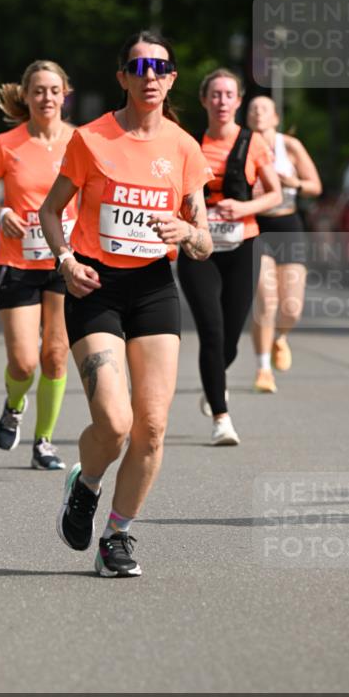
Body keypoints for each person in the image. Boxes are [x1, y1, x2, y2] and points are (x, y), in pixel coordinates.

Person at [39, 31, 213, 578]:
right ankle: (85, 482)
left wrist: (186, 229)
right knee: (114, 423)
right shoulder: (91, 140)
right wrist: (65, 260)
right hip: (96, 287)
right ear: (123, 77)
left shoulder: (185, 147)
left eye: (160, 66)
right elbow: (50, 212)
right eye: (139, 66)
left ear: (172, 77)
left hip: (155, 288)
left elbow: (206, 243)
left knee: (153, 426)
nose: (150, 75)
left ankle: (117, 535)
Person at [0, 61, 76, 471]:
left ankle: (44, 442)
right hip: (19, 261)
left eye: (54, 90)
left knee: (55, 356)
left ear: (65, 93)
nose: (46, 98)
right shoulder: (6, 145)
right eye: (38, 91)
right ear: (27, 96)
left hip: (64, 259)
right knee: (23, 362)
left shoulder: (81, 141)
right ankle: (14, 405)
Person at [176, 69, 282, 445]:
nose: (222, 101)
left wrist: (244, 206)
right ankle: (222, 418)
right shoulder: (188, 144)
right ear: (204, 100)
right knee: (212, 329)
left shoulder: (252, 144)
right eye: (215, 95)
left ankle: (213, 384)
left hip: (243, 246)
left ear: (238, 102)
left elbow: (275, 195)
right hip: (197, 250)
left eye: (229, 95)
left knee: (232, 338)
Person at [247, 96, 322, 392]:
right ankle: (264, 369)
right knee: (266, 300)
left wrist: (292, 183)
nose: (257, 113)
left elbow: (315, 187)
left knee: (291, 307)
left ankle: (280, 337)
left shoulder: (289, 146)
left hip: (288, 225)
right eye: (252, 108)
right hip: (255, 225)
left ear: (275, 117)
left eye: (263, 108)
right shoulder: (242, 146)